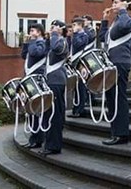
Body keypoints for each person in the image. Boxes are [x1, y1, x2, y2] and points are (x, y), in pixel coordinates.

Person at [98, 0, 131, 145]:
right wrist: (105, 20)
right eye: (113, 3)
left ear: (125, 3)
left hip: (120, 62)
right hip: (112, 62)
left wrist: (124, 10)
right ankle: (115, 132)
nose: (113, 5)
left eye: (117, 2)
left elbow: (126, 26)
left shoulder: (126, 19)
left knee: (119, 98)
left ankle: (121, 133)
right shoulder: (115, 21)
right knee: (112, 98)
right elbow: (103, 38)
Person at [39, 19, 69, 155]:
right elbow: (46, 51)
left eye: (55, 27)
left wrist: (55, 34)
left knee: (55, 115)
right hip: (51, 81)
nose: (51, 29)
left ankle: (54, 146)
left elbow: (56, 49)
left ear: (61, 29)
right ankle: (49, 143)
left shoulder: (62, 41)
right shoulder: (54, 41)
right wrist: (47, 38)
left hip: (57, 82)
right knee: (48, 114)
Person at [20, 23, 48, 149]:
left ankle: (38, 138)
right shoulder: (33, 43)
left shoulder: (42, 43)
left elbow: (36, 53)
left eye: (33, 30)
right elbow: (24, 55)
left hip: (37, 78)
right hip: (29, 78)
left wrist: (31, 42)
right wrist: (26, 43)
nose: (31, 33)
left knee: (37, 109)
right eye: (30, 31)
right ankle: (33, 137)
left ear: (40, 32)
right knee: (31, 109)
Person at [68, 17, 90, 118]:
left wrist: (76, 33)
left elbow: (77, 44)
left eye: (75, 25)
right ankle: (75, 108)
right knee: (76, 88)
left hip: (80, 64)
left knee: (81, 87)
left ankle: (80, 109)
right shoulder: (75, 35)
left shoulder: (84, 36)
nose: (73, 27)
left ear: (80, 26)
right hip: (75, 63)